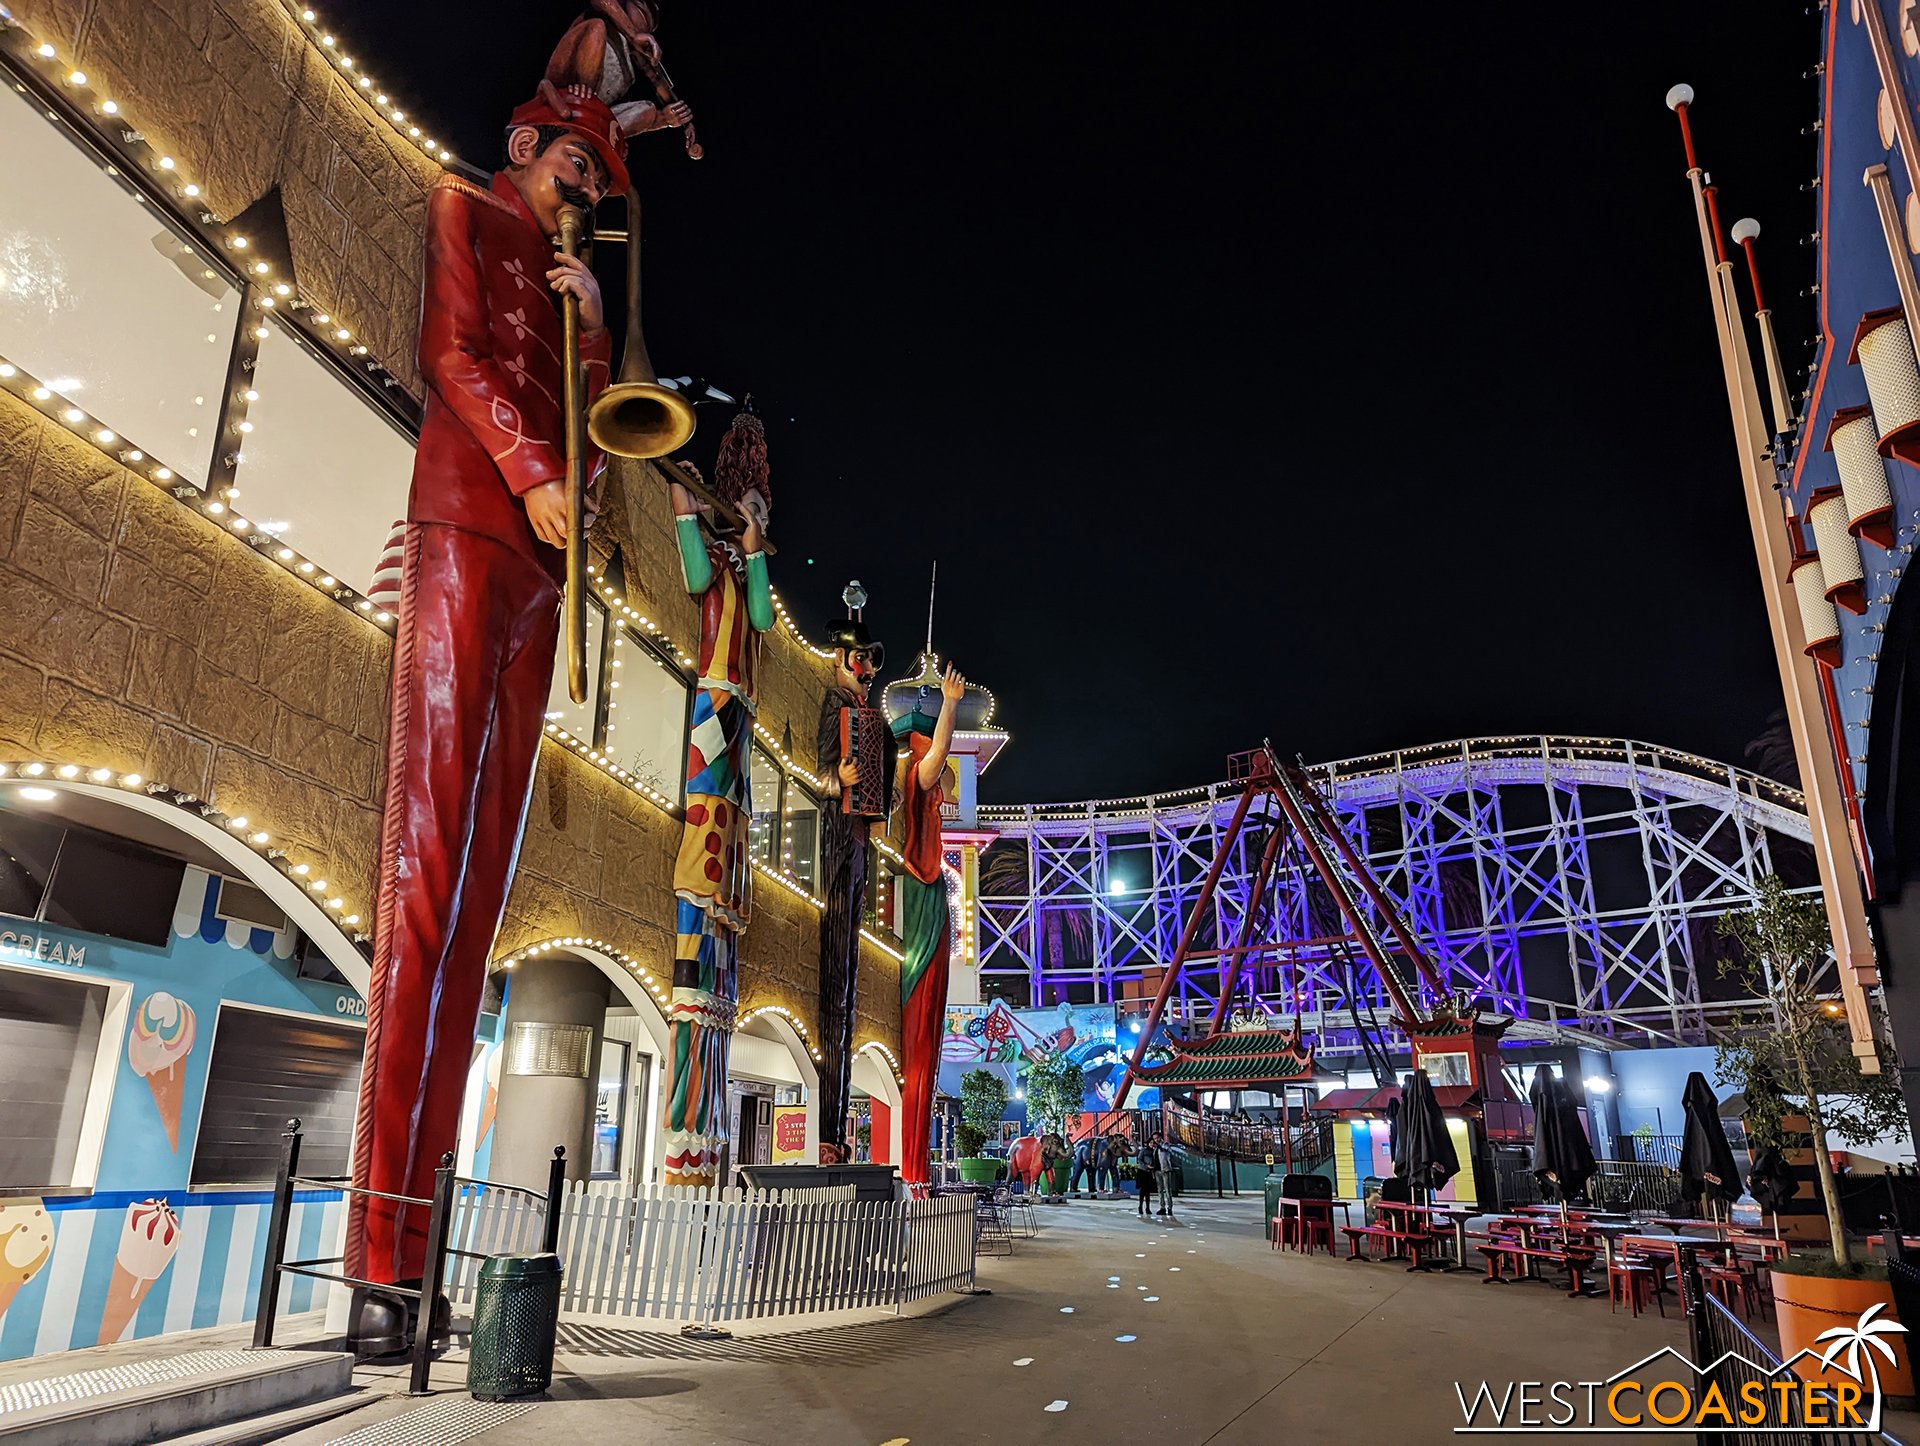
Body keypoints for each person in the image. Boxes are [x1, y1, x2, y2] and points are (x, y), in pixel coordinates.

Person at [345, 81, 628, 1352]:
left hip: (539, 570)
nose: (586, 191)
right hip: (468, 527)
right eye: (577, 165)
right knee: (425, 881)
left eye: (598, 182)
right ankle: (374, 1261)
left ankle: (409, 1251)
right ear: (527, 147)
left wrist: (599, 329)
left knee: (475, 914)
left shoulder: (574, 281)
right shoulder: (464, 204)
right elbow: (450, 353)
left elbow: (601, 426)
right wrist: (530, 470)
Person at [660, 419, 774, 1187]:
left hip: (736, 718)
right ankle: (685, 1139)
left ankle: (702, 1137)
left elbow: (763, 618)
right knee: (707, 834)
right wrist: (679, 507)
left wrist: (757, 547)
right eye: (751, 497)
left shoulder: (747, 565)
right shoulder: (716, 562)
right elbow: (700, 577)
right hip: (715, 704)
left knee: (726, 834)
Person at [1133, 1141, 1157, 1217]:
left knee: (1147, 1192)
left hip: (1149, 1172)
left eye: (1153, 1143)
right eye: (1150, 1143)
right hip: (1143, 1171)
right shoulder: (1144, 1150)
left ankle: (1147, 1208)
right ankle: (1140, 1206)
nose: (1152, 1144)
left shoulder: (1154, 1151)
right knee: (1143, 1191)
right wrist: (1146, 1165)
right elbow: (1139, 1159)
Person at [1155, 1138, 1177, 1217]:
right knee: (1160, 1190)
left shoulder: (1165, 1144)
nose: (1156, 1140)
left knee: (1167, 1189)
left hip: (1165, 1169)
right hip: (1157, 1171)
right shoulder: (1155, 1148)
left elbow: (1169, 1151)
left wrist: (1162, 1147)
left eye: (1157, 1138)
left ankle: (1170, 1208)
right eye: (1154, 1139)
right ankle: (1162, 1207)